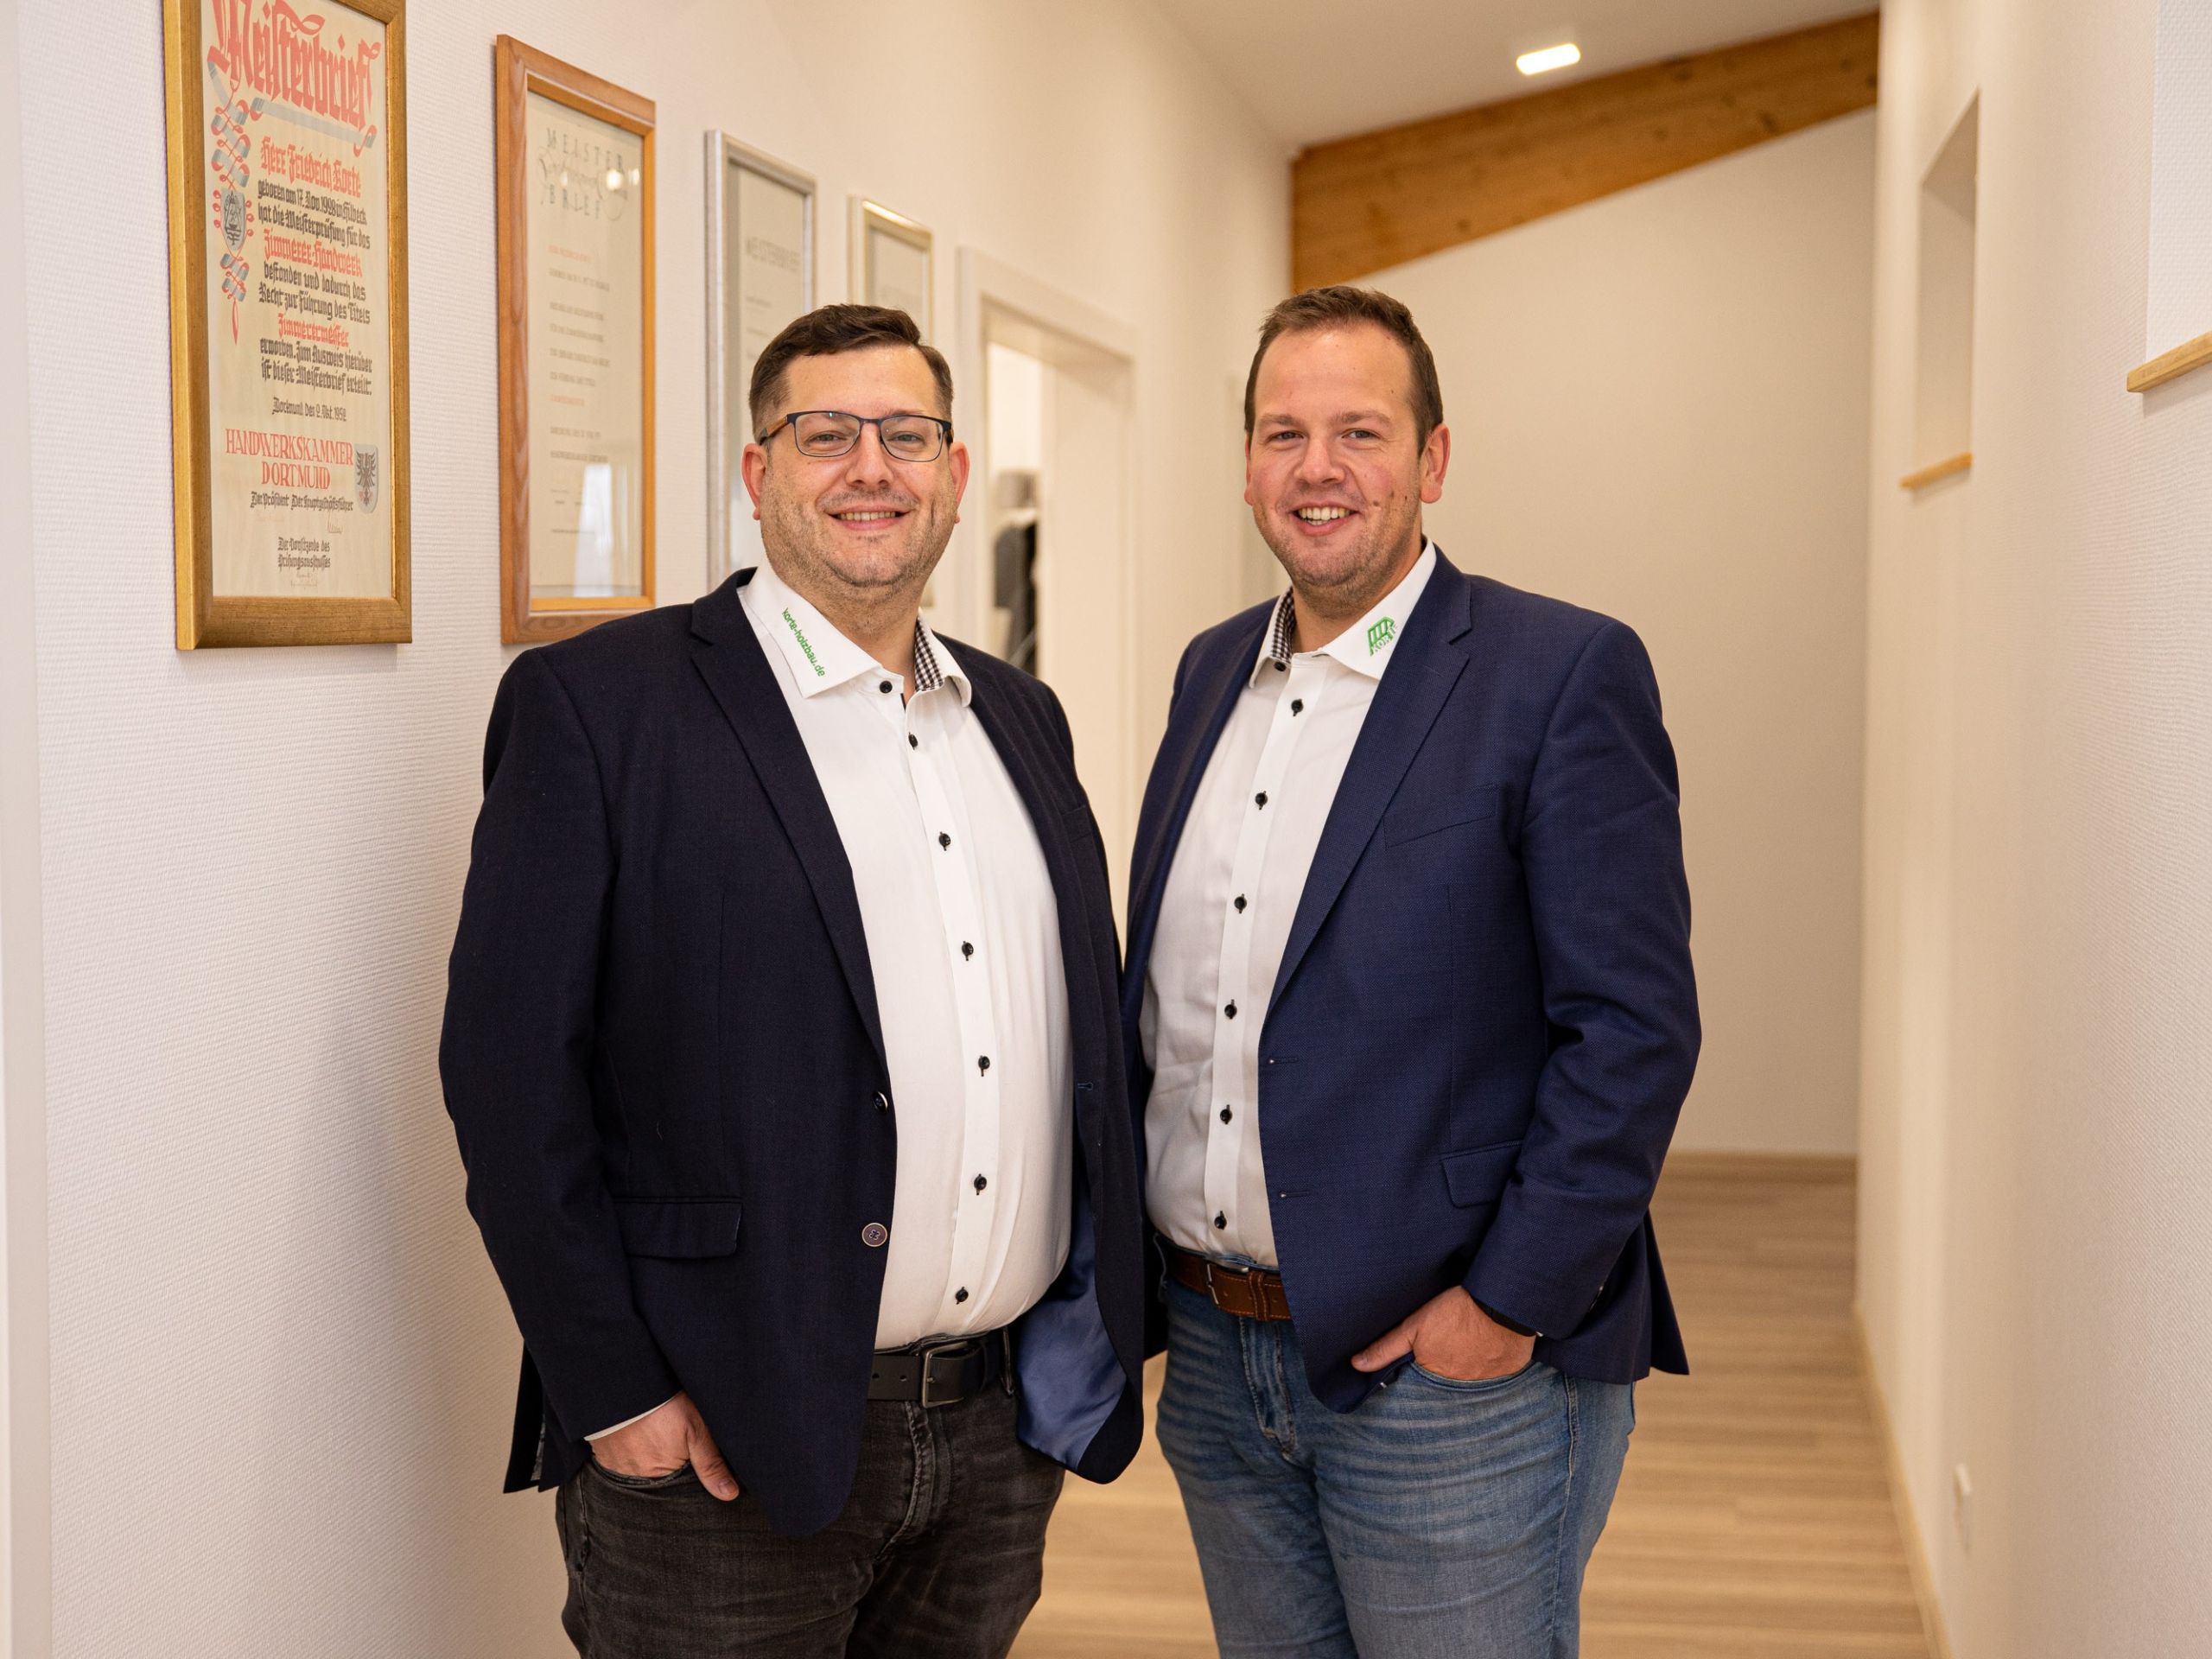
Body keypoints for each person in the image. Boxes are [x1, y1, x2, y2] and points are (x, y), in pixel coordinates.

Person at [440, 304, 1145, 1658]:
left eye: (907, 435)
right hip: (722, 1437)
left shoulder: (1019, 715)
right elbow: (509, 1080)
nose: (870, 467)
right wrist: (611, 1388)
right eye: (826, 435)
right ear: (759, 473)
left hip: (998, 1434)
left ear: (953, 472)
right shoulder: (603, 708)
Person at [1123, 285, 1700, 1657]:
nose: (1317, 469)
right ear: (1247, 464)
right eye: (1284, 434)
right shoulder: (1210, 672)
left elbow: (1631, 1030)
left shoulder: (1559, 672)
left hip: (1447, 1382)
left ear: (1433, 459)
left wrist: (1501, 1309)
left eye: (1360, 432)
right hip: (1217, 1355)